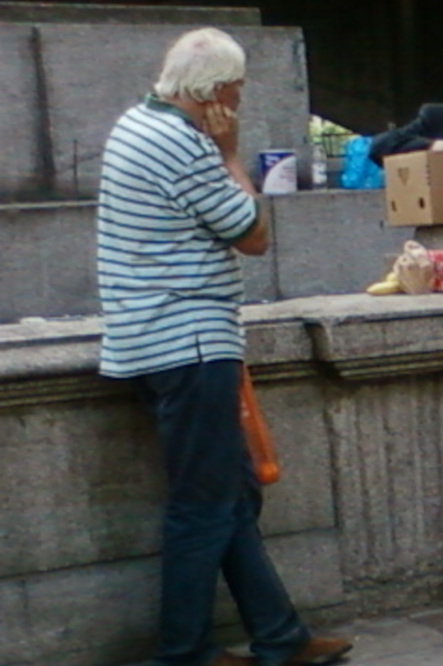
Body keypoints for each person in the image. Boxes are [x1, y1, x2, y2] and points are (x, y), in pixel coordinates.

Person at [96, 27, 353, 666]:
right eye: (237, 89)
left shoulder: (135, 124)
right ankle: (181, 653)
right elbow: (253, 232)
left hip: (156, 339)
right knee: (202, 507)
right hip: (188, 344)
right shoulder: (183, 145)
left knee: (229, 494)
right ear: (214, 93)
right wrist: (231, 153)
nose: (240, 100)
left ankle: (280, 637)